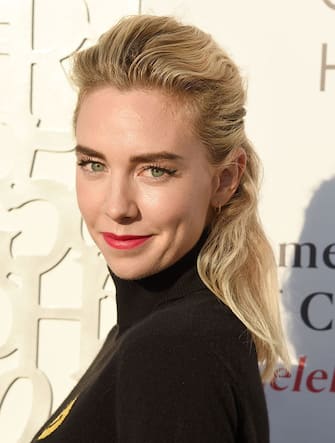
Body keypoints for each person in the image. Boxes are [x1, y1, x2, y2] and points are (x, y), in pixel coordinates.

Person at [31, 14, 290, 443]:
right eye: (93, 164)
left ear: (224, 179)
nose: (116, 206)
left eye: (154, 170)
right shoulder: (152, 333)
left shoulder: (174, 349)